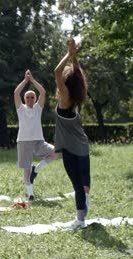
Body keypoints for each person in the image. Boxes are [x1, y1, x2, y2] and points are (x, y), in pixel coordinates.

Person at [54, 38, 91, 228]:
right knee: (84, 182)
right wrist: (74, 58)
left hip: (70, 148)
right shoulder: (78, 98)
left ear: (66, 83)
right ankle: (85, 207)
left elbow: (57, 71)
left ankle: (80, 220)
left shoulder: (65, 97)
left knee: (77, 185)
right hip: (83, 146)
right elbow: (77, 75)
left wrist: (69, 55)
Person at [14, 70, 57, 201]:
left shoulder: (38, 108)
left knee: (55, 152)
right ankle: (30, 194)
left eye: (32, 97)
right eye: (28, 97)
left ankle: (36, 170)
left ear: (35, 99)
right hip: (23, 141)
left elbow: (43, 92)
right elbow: (16, 93)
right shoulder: (20, 109)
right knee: (26, 170)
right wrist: (25, 81)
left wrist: (32, 80)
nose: (30, 99)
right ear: (24, 99)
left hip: (39, 141)